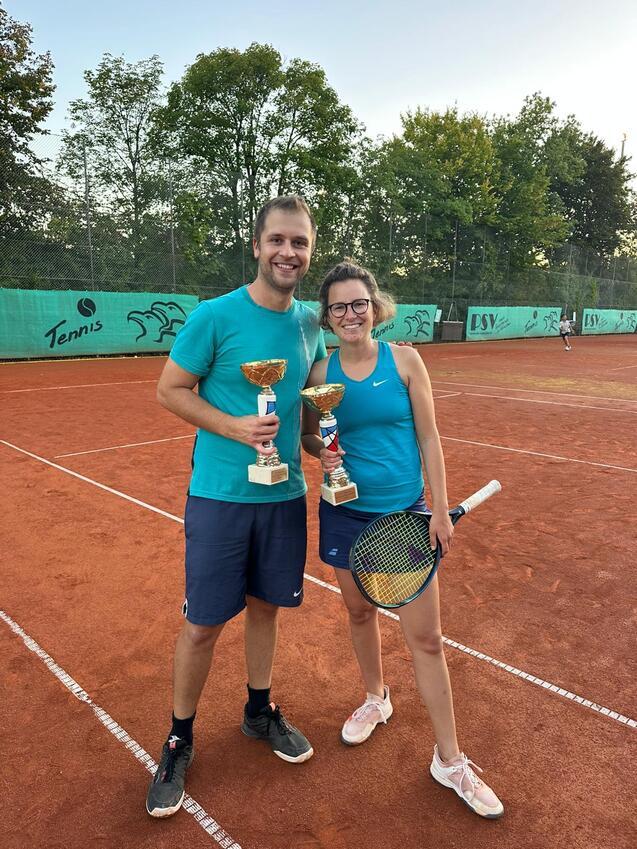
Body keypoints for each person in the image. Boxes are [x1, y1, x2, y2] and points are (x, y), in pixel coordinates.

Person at [301, 259, 504, 819]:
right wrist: (324, 455)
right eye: (338, 307)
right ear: (327, 316)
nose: (350, 314)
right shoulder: (319, 373)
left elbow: (430, 437)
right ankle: (376, 698)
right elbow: (309, 437)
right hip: (344, 514)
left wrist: (438, 508)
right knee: (358, 613)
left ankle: (450, 760)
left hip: (406, 517)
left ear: (375, 307)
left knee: (428, 640)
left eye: (358, 304)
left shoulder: (407, 361)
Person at [146, 196, 326, 818]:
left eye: (299, 242)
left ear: (309, 251)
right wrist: (233, 426)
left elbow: (310, 415)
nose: (288, 252)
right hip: (220, 498)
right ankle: (179, 738)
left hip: (284, 497)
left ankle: (258, 710)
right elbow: (170, 389)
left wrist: (328, 449)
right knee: (202, 624)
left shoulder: (310, 324)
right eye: (277, 240)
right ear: (256, 246)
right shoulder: (214, 316)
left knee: (265, 609)